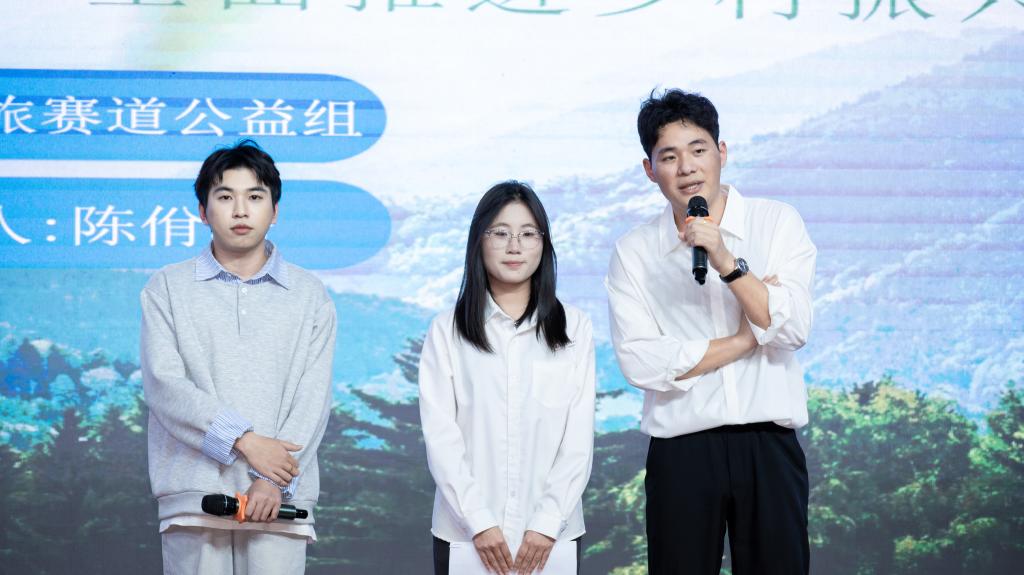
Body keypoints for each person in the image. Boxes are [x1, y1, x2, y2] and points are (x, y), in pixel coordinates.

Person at [606, 89, 817, 574]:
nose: (687, 168)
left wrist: (726, 260)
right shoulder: (634, 252)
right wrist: (745, 338)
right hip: (682, 452)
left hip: (768, 446)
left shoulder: (775, 222)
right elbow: (642, 362)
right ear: (649, 169)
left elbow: (792, 329)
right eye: (669, 157)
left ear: (722, 152)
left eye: (698, 150)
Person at [140, 139, 336, 574]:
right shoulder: (167, 287)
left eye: (255, 197)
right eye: (225, 197)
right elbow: (164, 385)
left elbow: (313, 398)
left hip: (279, 503)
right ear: (202, 210)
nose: (241, 210)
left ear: (275, 210)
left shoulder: (309, 294)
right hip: (195, 498)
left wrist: (271, 480)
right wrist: (245, 441)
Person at [418, 181, 595, 575]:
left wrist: (547, 522)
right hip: (465, 536)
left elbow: (577, 440)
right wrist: (479, 521)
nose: (515, 246)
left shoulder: (574, 328)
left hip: (552, 539)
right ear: (478, 242)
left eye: (528, 234)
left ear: (543, 245)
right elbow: (441, 438)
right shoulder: (446, 330)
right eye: (500, 233)